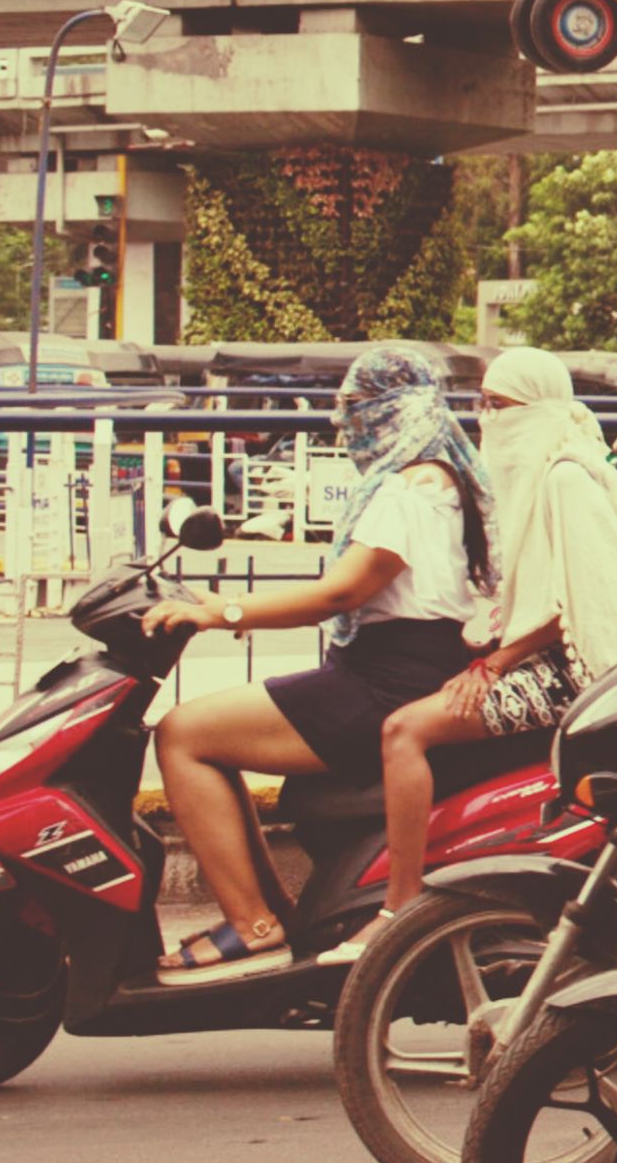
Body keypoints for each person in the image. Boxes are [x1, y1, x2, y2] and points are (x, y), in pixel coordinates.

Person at [142, 345, 495, 972]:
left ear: (393, 409)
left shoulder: (409, 489)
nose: (343, 420)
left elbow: (341, 592)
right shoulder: (442, 477)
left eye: (355, 406)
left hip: (387, 679)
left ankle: (251, 924)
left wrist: (225, 612)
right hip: (405, 665)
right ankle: (269, 913)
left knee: (182, 733)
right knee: (209, 737)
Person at [369, 348, 617, 922]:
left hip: (578, 672)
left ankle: (399, 909)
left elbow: (585, 601)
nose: (487, 420)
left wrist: (495, 664)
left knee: (403, 731)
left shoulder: (566, 478)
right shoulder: (544, 470)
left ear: (539, 409)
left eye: (501, 406)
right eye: (482, 405)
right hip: (553, 655)